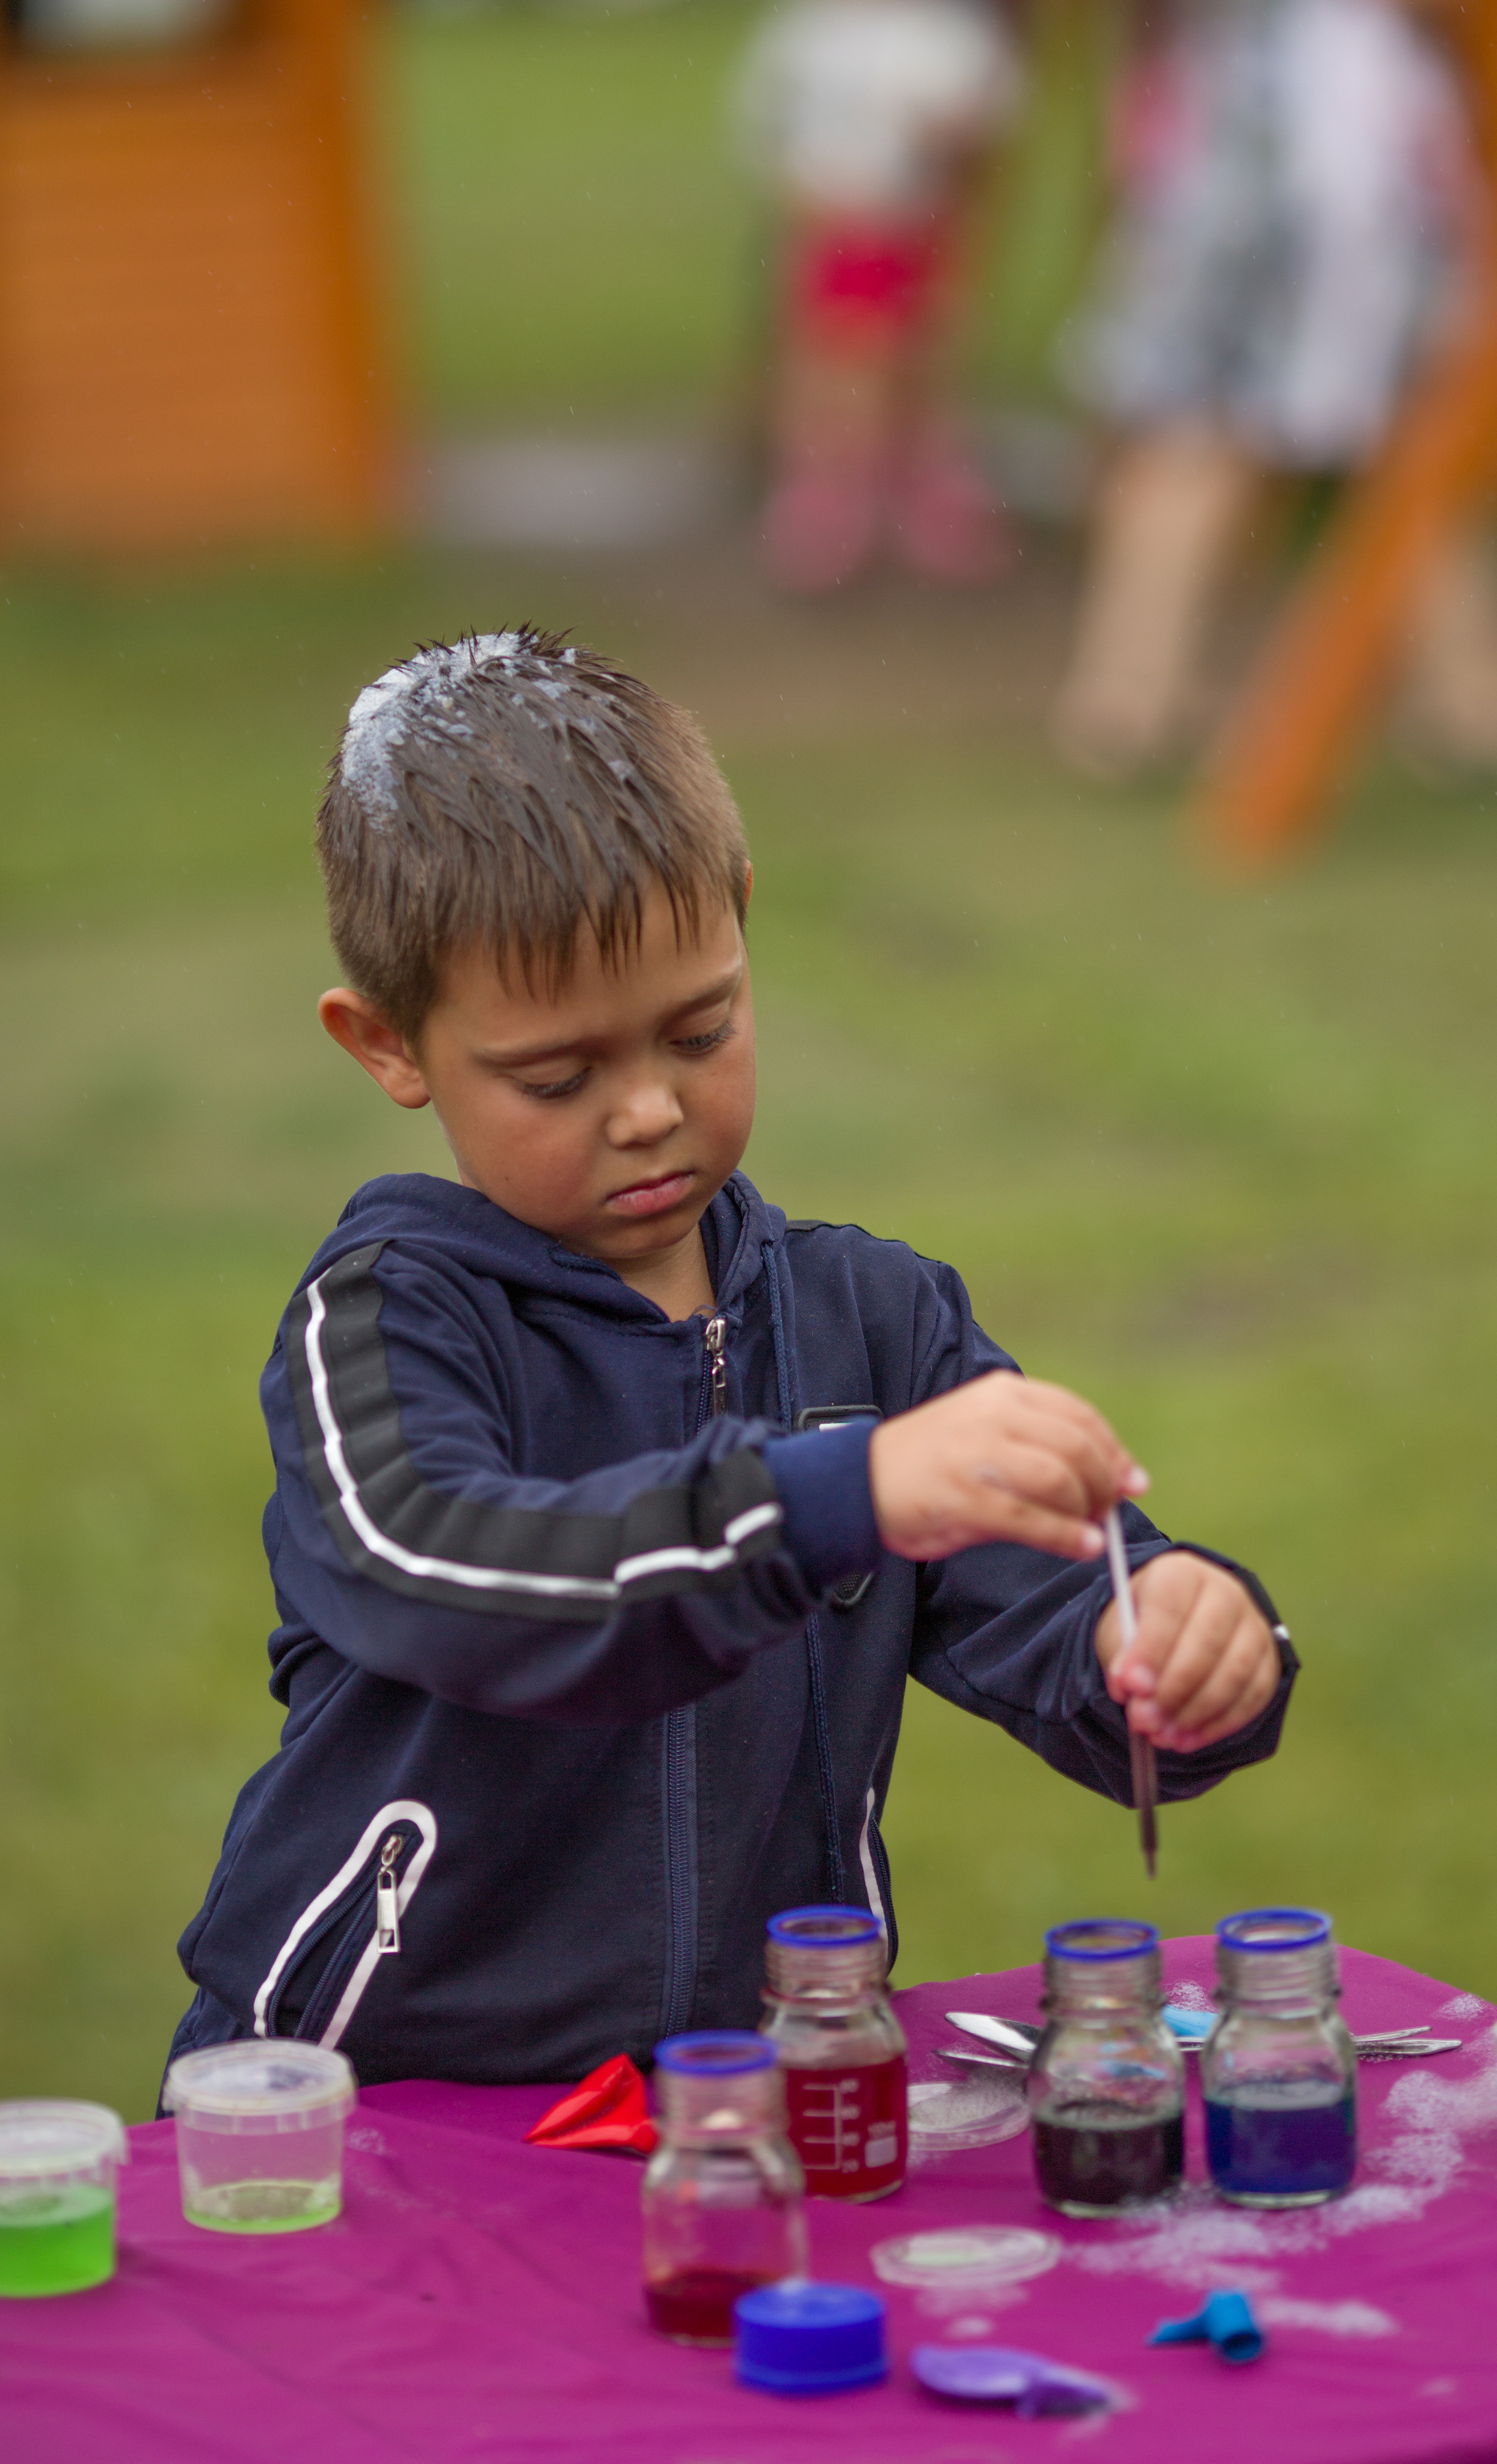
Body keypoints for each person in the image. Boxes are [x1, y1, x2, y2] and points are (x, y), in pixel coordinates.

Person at [168, 629, 1294, 2087]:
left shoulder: (876, 1325)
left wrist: (1182, 1641)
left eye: (699, 1029)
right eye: (558, 1076)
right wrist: (828, 1496)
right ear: (387, 1046)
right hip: (372, 2109)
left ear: (742, 925)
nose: (645, 1110)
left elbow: (1070, 1614)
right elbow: (444, 1571)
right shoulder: (383, 1319)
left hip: (745, 2104)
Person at [1053, 0, 1497, 777]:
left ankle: (1129, 694)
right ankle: (1130, 696)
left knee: (1391, 434)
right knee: (1380, 430)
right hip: (1303, 171)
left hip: (1260, 160)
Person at [736, 0, 1025, 590]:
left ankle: (916, 483)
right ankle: (827, 497)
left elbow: (985, 119)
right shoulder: (808, 35)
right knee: (835, 360)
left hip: (921, 227)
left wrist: (951, 136)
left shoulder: (946, 35)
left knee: (919, 356)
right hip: (837, 228)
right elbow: (769, 127)